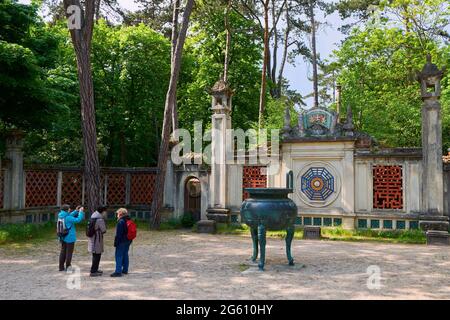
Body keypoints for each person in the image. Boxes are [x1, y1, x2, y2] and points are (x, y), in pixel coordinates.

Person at [58, 204, 84, 272]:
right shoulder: (68, 217)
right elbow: (78, 220)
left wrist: (76, 211)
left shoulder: (61, 215)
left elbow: (70, 215)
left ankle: (61, 267)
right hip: (69, 237)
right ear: (67, 210)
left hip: (63, 236)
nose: (70, 209)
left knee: (63, 251)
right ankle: (68, 268)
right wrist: (80, 212)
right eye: (69, 209)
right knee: (69, 253)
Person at [111, 208, 132, 277]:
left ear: (120, 214)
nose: (117, 215)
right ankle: (125, 270)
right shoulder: (129, 220)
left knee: (119, 256)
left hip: (122, 241)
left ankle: (118, 271)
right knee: (125, 254)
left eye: (117, 214)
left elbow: (118, 234)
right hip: (128, 240)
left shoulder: (121, 221)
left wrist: (116, 242)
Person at [88, 206, 107, 277]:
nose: (106, 213)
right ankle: (93, 271)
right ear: (103, 211)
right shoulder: (100, 219)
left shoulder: (93, 217)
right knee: (97, 255)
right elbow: (104, 230)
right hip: (97, 239)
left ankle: (95, 269)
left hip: (92, 238)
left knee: (95, 255)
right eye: (105, 211)